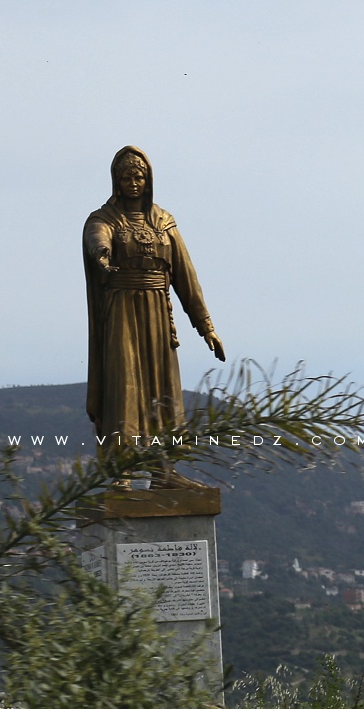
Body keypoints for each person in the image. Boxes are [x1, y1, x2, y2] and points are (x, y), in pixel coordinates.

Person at [83, 146, 225, 485]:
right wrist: (102, 254)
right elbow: (96, 238)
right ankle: (122, 470)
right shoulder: (103, 219)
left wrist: (206, 327)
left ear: (149, 181)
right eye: (127, 176)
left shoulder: (164, 222)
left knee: (164, 387)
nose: (134, 182)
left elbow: (187, 279)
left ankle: (165, 469)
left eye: (139, 176)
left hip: (159, 316)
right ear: (116, 181)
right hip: (122, 313)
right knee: (124, 386)